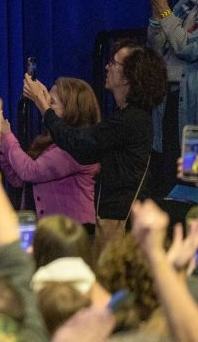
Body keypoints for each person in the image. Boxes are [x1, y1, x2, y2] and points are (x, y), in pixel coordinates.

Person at [24, 42, 167, 254]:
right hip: (113, 219)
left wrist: (45, 108)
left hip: (119, 223)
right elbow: (82, 146)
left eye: (114, 63)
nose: (107, 67)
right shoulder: (128, 118)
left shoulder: (131, 120)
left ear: (129, 76)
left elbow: (79, 144)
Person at [0, 77, 100, 227]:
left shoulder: (76, 148)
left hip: (71, 234)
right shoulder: (49, 142)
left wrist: (7, 136)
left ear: (72, 110)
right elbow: (20, 179)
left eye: (51, 103)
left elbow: (30, 171)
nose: (45, 108)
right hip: (45, 233)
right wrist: (0, 145)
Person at [144, 0, 198, 198]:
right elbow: (157, 44)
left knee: (191, 181)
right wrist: (158, 10)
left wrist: (164, 9)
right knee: (168, 177)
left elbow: (187, 47)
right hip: (171, 106)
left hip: (193, 113)